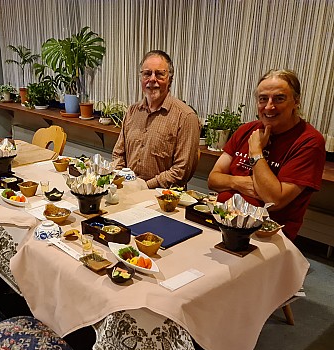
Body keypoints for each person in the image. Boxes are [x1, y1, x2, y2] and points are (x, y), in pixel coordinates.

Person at [208, 69, 326, 241]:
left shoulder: (309, 142)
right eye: (263, 99)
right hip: (222, 224)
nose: (269, 106)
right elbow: (213, 179)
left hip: (265, 237)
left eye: (279, 98)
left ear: (296, 101)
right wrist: (238, 183)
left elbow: (274, 199)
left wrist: (256, 151)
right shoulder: (245, 130)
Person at [112, 50, 200, 189]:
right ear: (141, 78)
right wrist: (122, 178)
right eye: (147, 73)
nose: (152, 79)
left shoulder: (186, 117)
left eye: (159, 74)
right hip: (128, 190)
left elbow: (181, 171)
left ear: (170, 79)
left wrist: (145, 186)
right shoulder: (132, 111)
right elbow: (118, 154)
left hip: (163, 199)